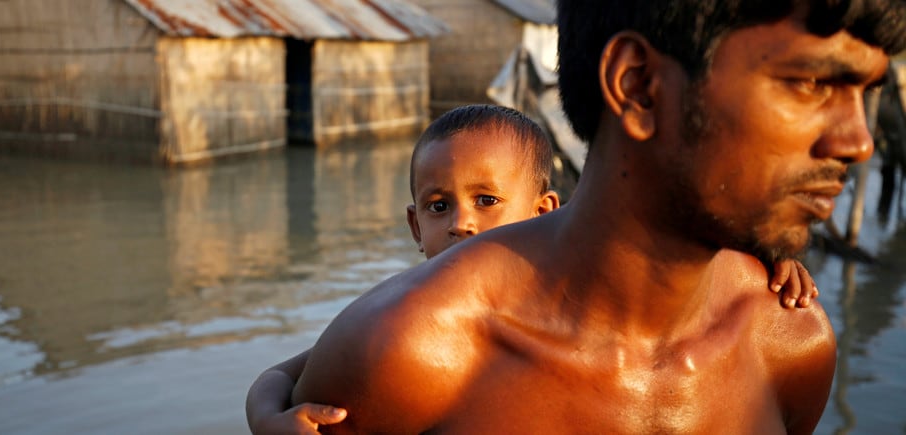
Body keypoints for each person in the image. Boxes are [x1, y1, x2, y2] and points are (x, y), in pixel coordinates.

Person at [286, 1, 906, 433]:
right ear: (637, 86)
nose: (858, 142)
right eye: (807, 82)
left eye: (864, 92)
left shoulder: (792, 345)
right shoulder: (410, 353)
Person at [246, 104, 821, 433]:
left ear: (546, 211)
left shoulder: (779, 325)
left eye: (487, 201)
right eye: (439, 207)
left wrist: (774, 258)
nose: (462, 223)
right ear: (416, 227)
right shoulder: (406, 324)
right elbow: (285, 373)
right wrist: (265, 416)